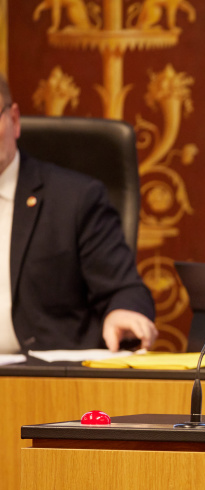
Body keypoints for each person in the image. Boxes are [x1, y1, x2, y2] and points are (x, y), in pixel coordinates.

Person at [0, 74, 157, 353]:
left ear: (13, 119)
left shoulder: (74, 199)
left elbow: (124, 289)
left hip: (43, 383)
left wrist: (121, 311)